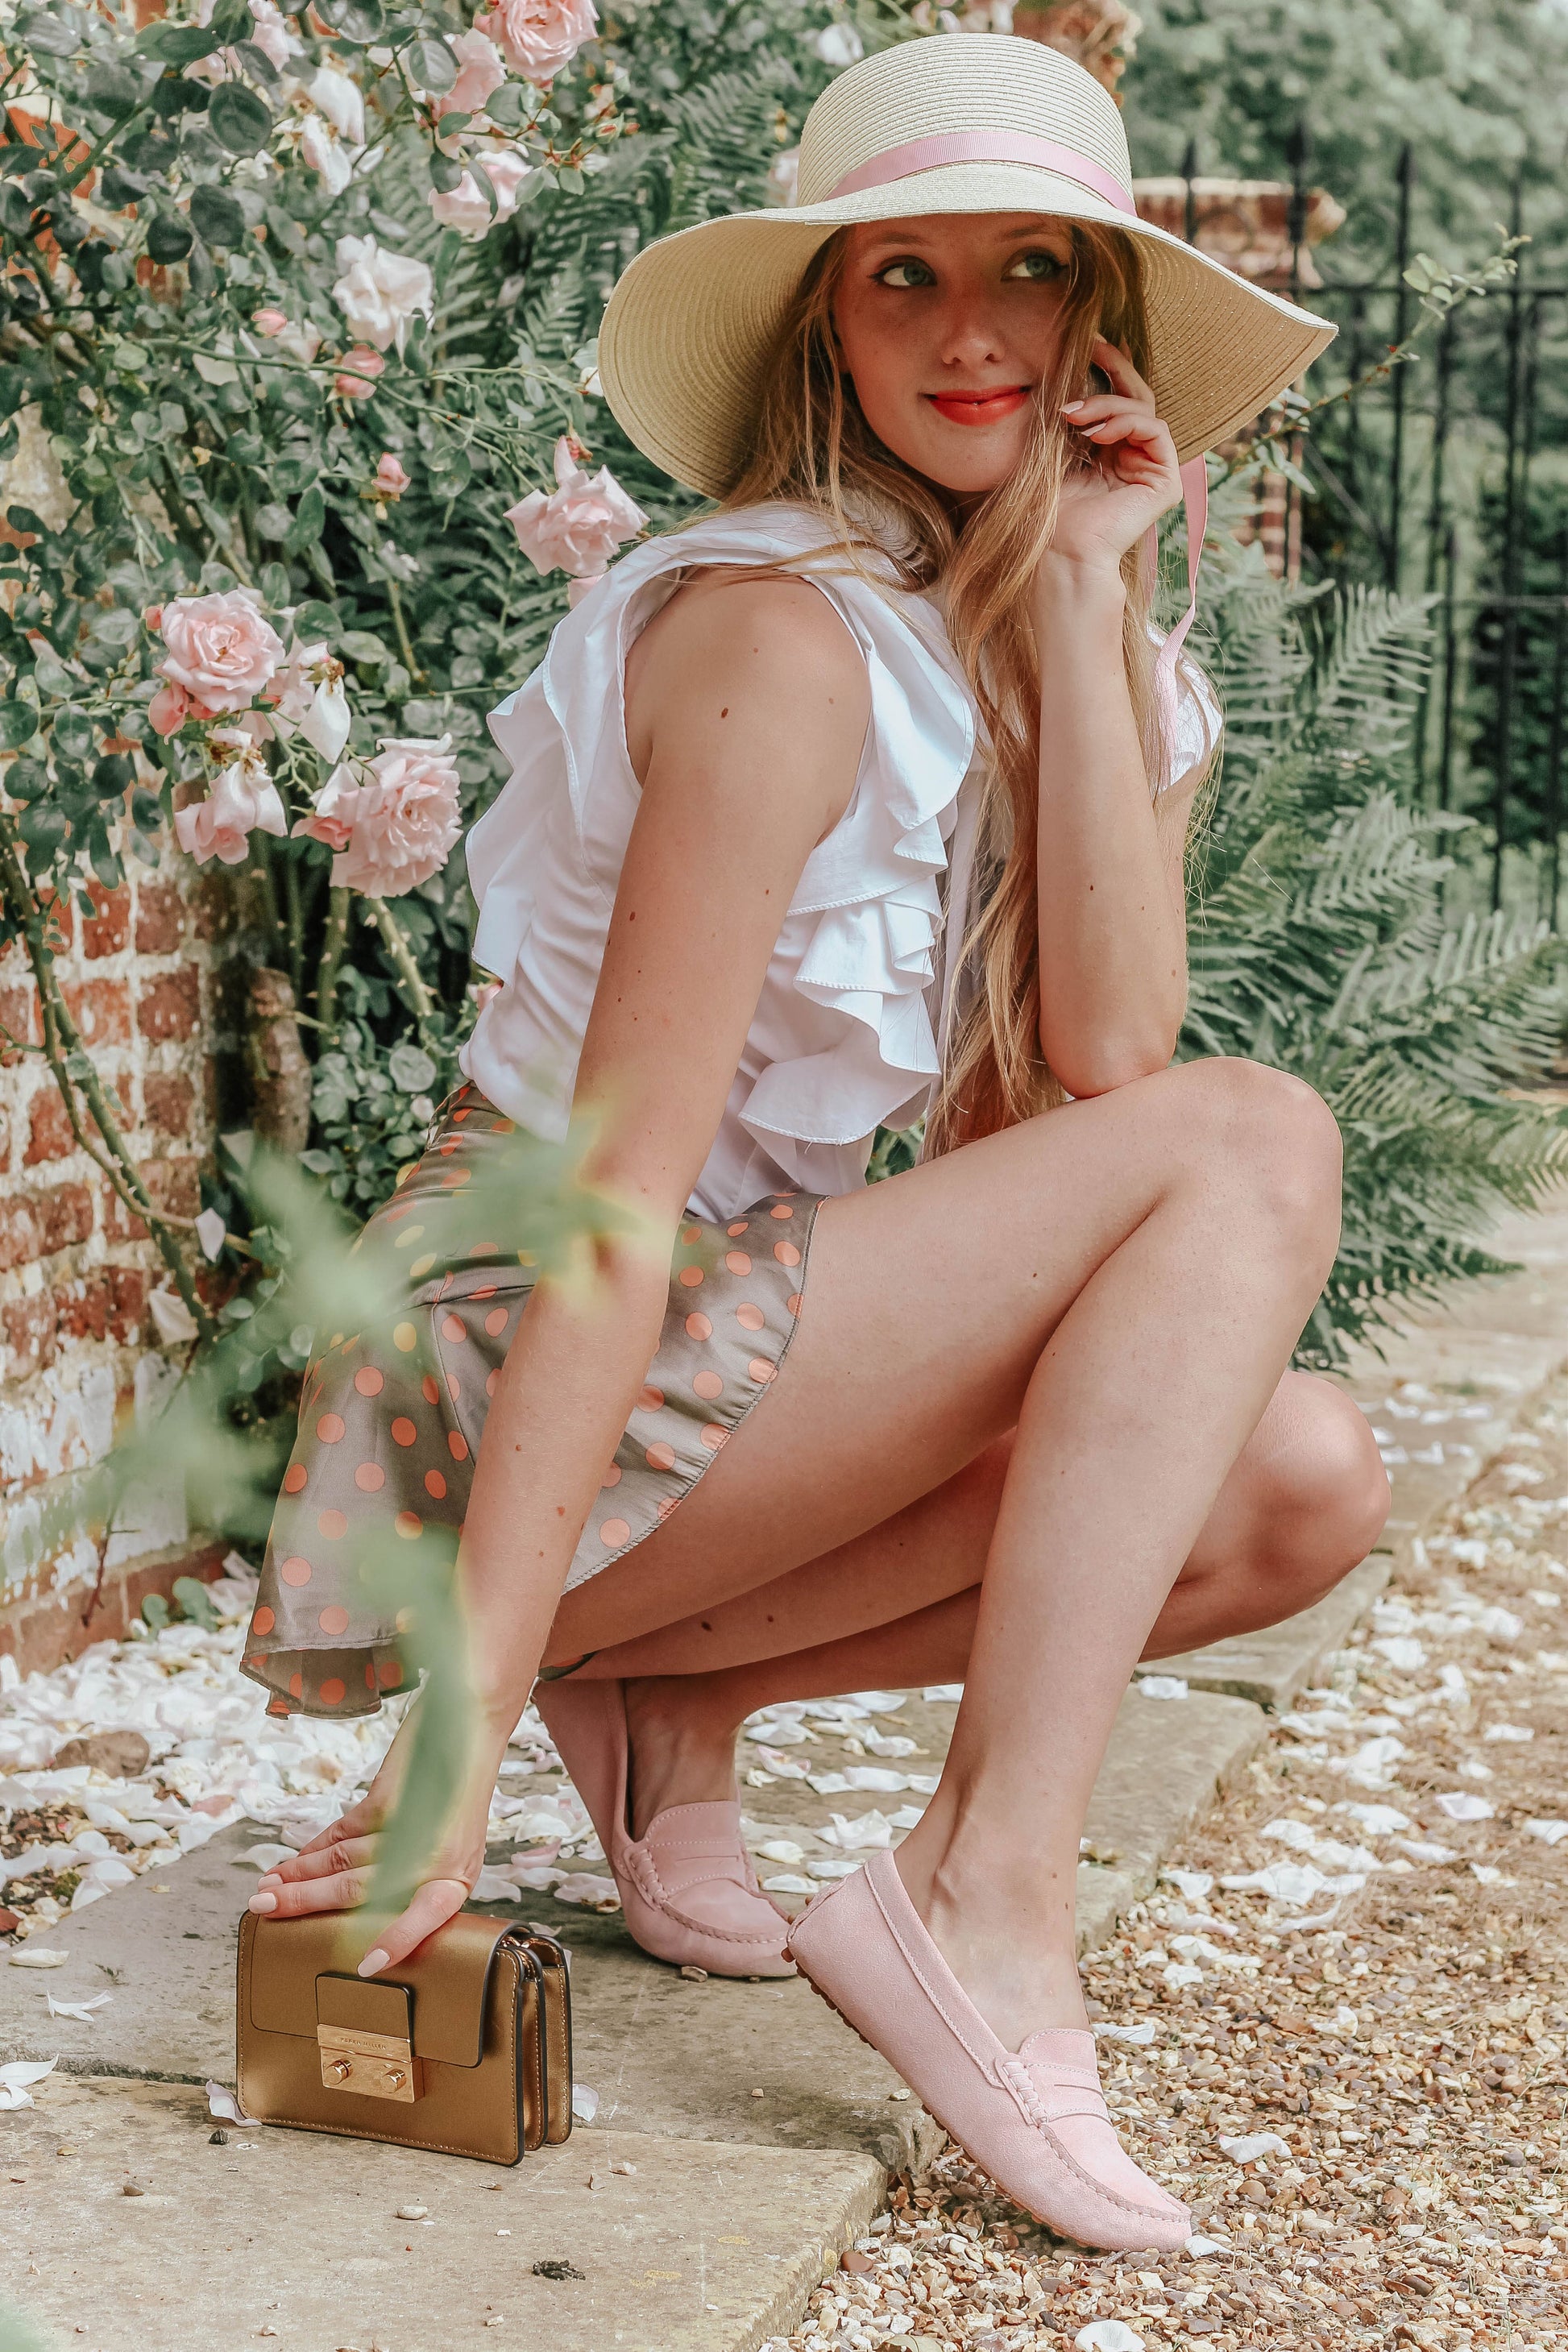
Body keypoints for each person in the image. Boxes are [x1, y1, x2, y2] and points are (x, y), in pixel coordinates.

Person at [243, 34, 1390, 2249]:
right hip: (512, 1376)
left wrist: (1082, 597)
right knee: (1253, 1142)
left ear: (1093, 322)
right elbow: (605, 1205)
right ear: (818, 323)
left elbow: (1102, 1055)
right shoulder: (773, 635)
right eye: (900, 280)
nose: (968, 334)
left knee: (1299, 1485)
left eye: (1028, 272)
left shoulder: (1094, 658)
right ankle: (976, 1900)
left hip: (746, 1381)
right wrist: (447, 1753)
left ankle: (671, 1701)